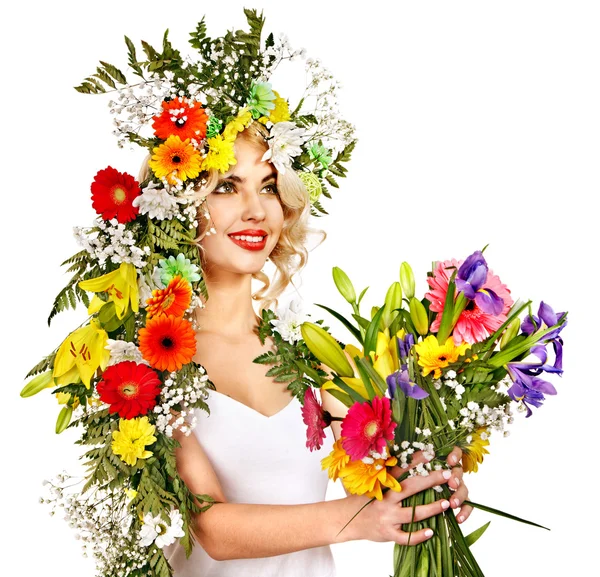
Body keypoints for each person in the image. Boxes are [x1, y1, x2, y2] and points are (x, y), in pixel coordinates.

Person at [162, 120, 473, 576]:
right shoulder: (151, 365)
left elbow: (389, 471)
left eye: (268, 187)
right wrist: (356, 519)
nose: (256, 211)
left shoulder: (313, 358)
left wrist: (435, 479)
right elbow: (212, 528)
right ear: (179, 206)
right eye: (227, 186)